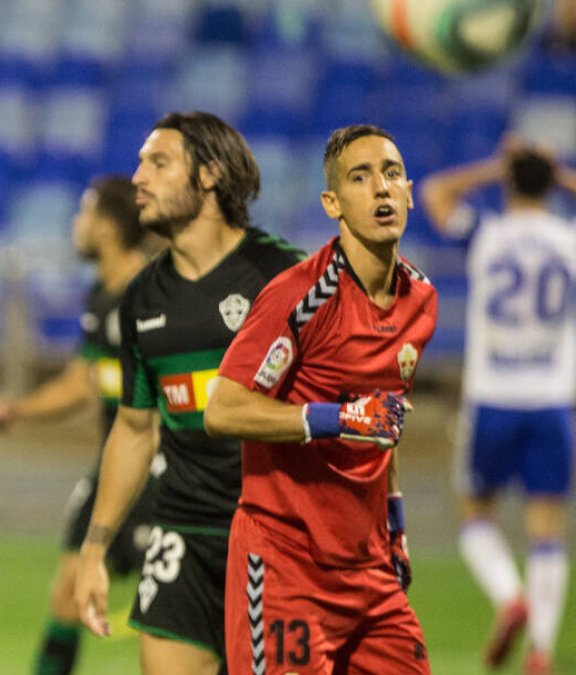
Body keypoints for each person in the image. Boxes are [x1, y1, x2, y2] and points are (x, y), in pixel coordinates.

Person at [73, 111, 303, 675]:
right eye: (139, 162)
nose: (138, 178)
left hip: (278, 537)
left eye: (158, 162)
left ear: (208, 176)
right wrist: (95, 548)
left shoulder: (284, 277)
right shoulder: (143, 297)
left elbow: (341, 407)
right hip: (184, 533)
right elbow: (134, 428)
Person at [203, 124, 436, 674]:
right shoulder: (300, 297)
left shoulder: (421, 300)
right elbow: (224, 408)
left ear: (408, 191)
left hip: (371, 571)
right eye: (361, 177)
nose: (381, 189)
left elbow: (384, 422)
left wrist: (396, 527)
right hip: (287, 567)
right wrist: (335, 418)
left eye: (392, 174)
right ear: (333, 202)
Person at [0, 175, 160, 675]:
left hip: (164, 474)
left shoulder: (153, 294)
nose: (76, 226)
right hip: (110, 468)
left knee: (180, 609)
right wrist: (18, 411)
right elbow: (83, 382)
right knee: (67, 593)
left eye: (84, 215)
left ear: (106, 226)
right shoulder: (102, 295)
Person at [420, 136, 576, 675]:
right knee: (547, 528)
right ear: (550, 186)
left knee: (475, 514)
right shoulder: (568, 239)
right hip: (553, 401)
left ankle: (511, 597)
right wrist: (559, 174)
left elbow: (434, 192)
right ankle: (539, 651)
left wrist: (494, 167)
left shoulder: (486, 235)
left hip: (493, 399)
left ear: (510, 182)